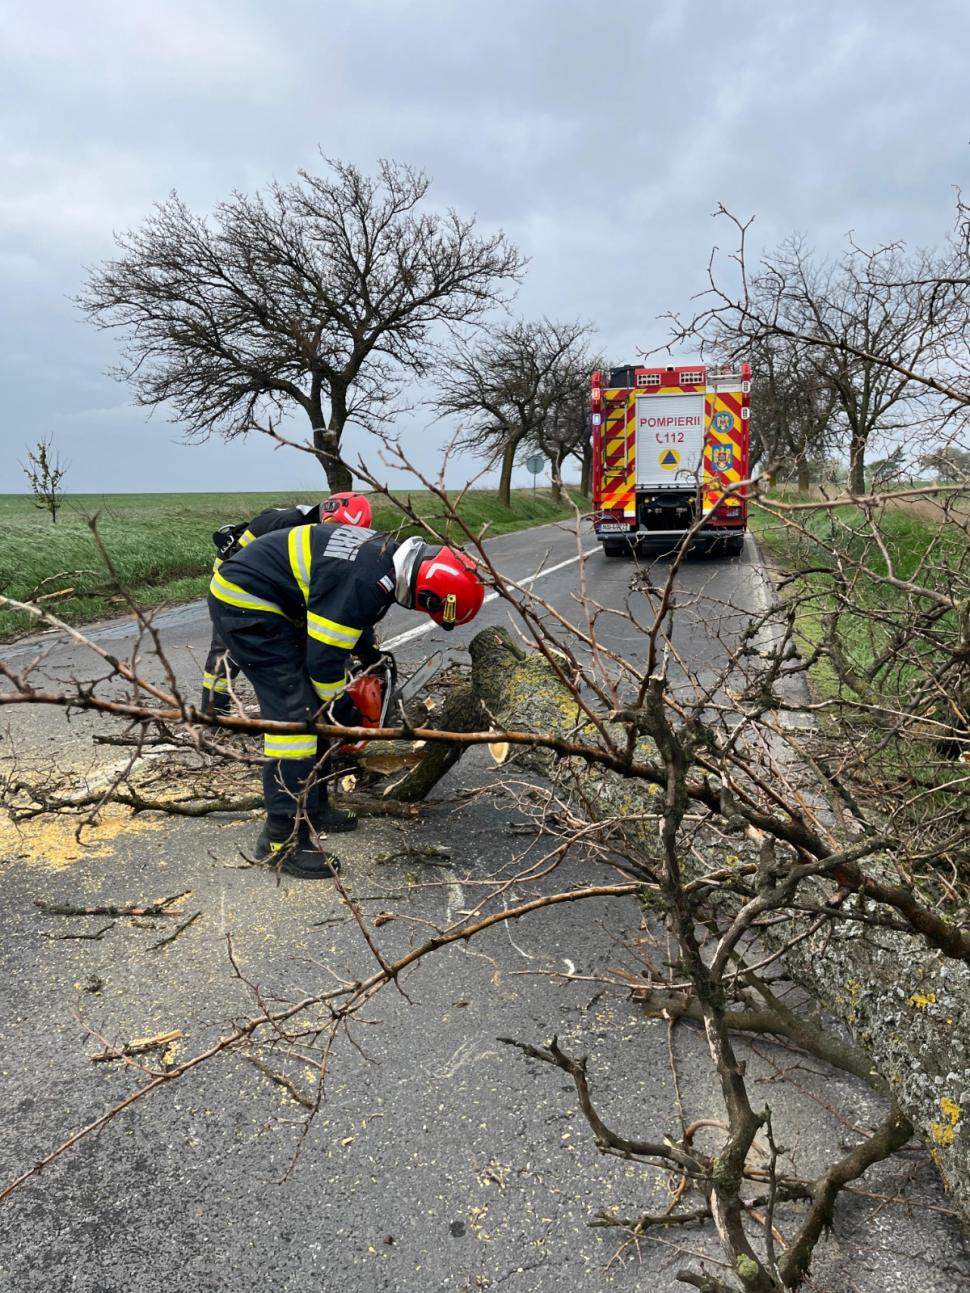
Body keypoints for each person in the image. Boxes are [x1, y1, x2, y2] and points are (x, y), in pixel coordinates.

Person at [207, 525, 485, 879]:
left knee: (313, 710)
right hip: (247, 603)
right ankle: (281, 840)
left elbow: (346, 613)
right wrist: (346, 715)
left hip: (278, 599)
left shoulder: (385, 554)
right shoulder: (368, 582)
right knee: (296, 718)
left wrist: (365, 650)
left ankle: (316, 806)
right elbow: (323, 663)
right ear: (430, 596)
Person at [200, 493, 373, 714]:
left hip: (284, 589)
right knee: (226, 650)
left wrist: (367, 647)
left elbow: (342, 595)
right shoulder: (282, 524)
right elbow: (237, 559)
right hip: (236, 585)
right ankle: (213, 714)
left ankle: (318, 709)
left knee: (313, 646)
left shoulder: (327, 539)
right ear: (326, 518)